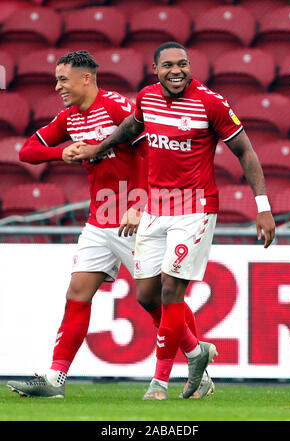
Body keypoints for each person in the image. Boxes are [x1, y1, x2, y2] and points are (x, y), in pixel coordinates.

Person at [71, 42, 276, 401]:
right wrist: (96, 147)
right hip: (155, 210)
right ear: (156, 69)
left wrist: (263, 206)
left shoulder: (211, 103)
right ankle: (197, 354)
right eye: (168, 65)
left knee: (170, 289)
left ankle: (159, 384)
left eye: (182, 63)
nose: (176, 70)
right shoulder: (147, 97)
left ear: (190, 66)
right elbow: (130, 127)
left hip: (195, 209)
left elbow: (245, 150)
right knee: (147, 296)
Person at [7, 50, 211, 399]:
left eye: (63, 79)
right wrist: (62, 152)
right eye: (57, 80)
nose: (58, 87)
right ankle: (56, 379)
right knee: (77, 294)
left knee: (158, 301)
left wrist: (142, 203)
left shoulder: (117, 108)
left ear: (86, 78)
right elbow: (26, 151)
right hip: (99, 222)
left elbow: (154, 153)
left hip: (136, 221)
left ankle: (196, 361)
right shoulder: (70, 118)